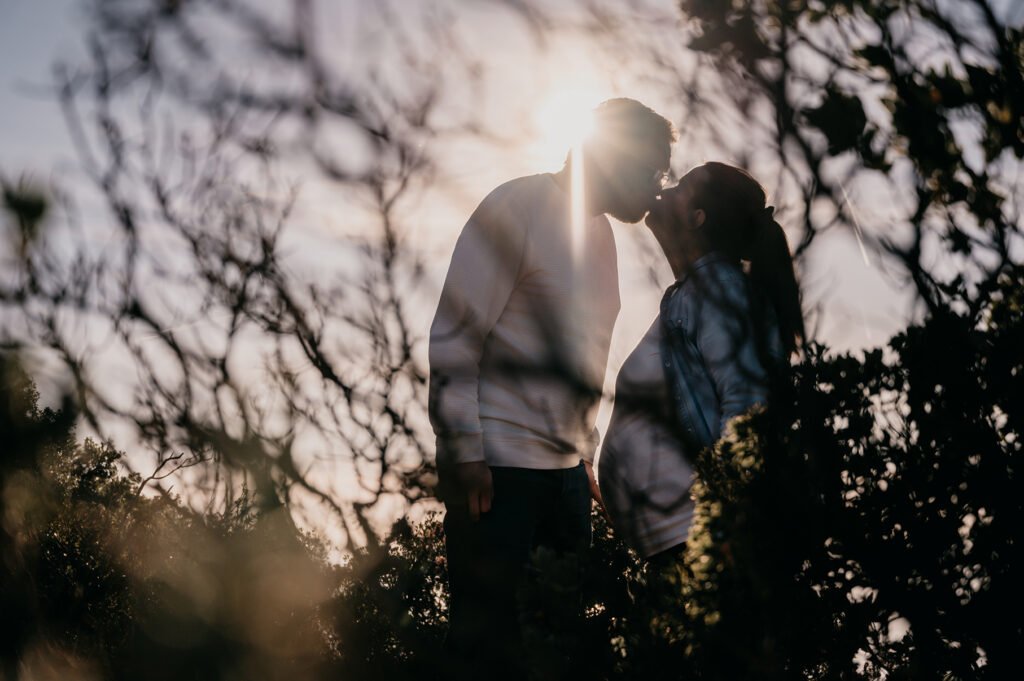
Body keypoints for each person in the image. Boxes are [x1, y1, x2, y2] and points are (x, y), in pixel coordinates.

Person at [428, 98, 676, 679]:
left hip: (564, 483)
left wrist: (581, 456)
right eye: (654, 170)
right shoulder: (519, 205)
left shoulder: (602, 238)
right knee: (486, 653)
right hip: (499, 475)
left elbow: (580, 359)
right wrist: (465, 451)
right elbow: (453, 338)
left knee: (556, 654)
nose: (659, 186)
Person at [598, 161, 804, 567]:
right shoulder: (692, 295)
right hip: (679, 542)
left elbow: (748, 404)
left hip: (707, 539)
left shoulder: (719, 288)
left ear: (696, 218)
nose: (662, 192)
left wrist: (728, 514)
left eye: (678, 187)